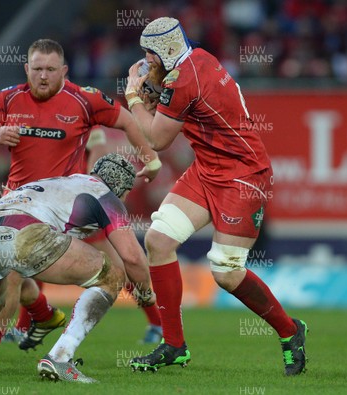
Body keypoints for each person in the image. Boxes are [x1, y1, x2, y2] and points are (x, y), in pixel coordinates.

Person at [0, 38, 163, 367]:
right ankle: (30, 325)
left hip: (68, 210)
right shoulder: (7, 98)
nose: (43, 76)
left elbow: (124, 121)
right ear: (27, 68)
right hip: (18, 207)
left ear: (64, 71)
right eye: (37, 69)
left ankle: (159, 324)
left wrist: (149, 159)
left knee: (122, 265)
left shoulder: (85, 100)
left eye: (51, 69)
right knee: (15, 279)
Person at [124, 17, 308, 375]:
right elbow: (174, 113)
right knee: (159, 240)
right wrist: (155, 98)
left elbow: (157, 139)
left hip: (243, 175)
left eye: (150, 53)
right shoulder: (198, 59)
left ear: (164, 52)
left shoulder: (183, 80)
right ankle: (174, 345)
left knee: (225, 270)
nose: (146, 61)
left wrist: (134, 95)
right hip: (208, 169)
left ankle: (290, 331)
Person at [0, 154, 156, 383]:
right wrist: (145, 294)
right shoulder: (107, 197)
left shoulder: (62, 181)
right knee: (112, 276)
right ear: (122, 187)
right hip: (24, 232)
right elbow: (132, 258)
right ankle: (60, 358)